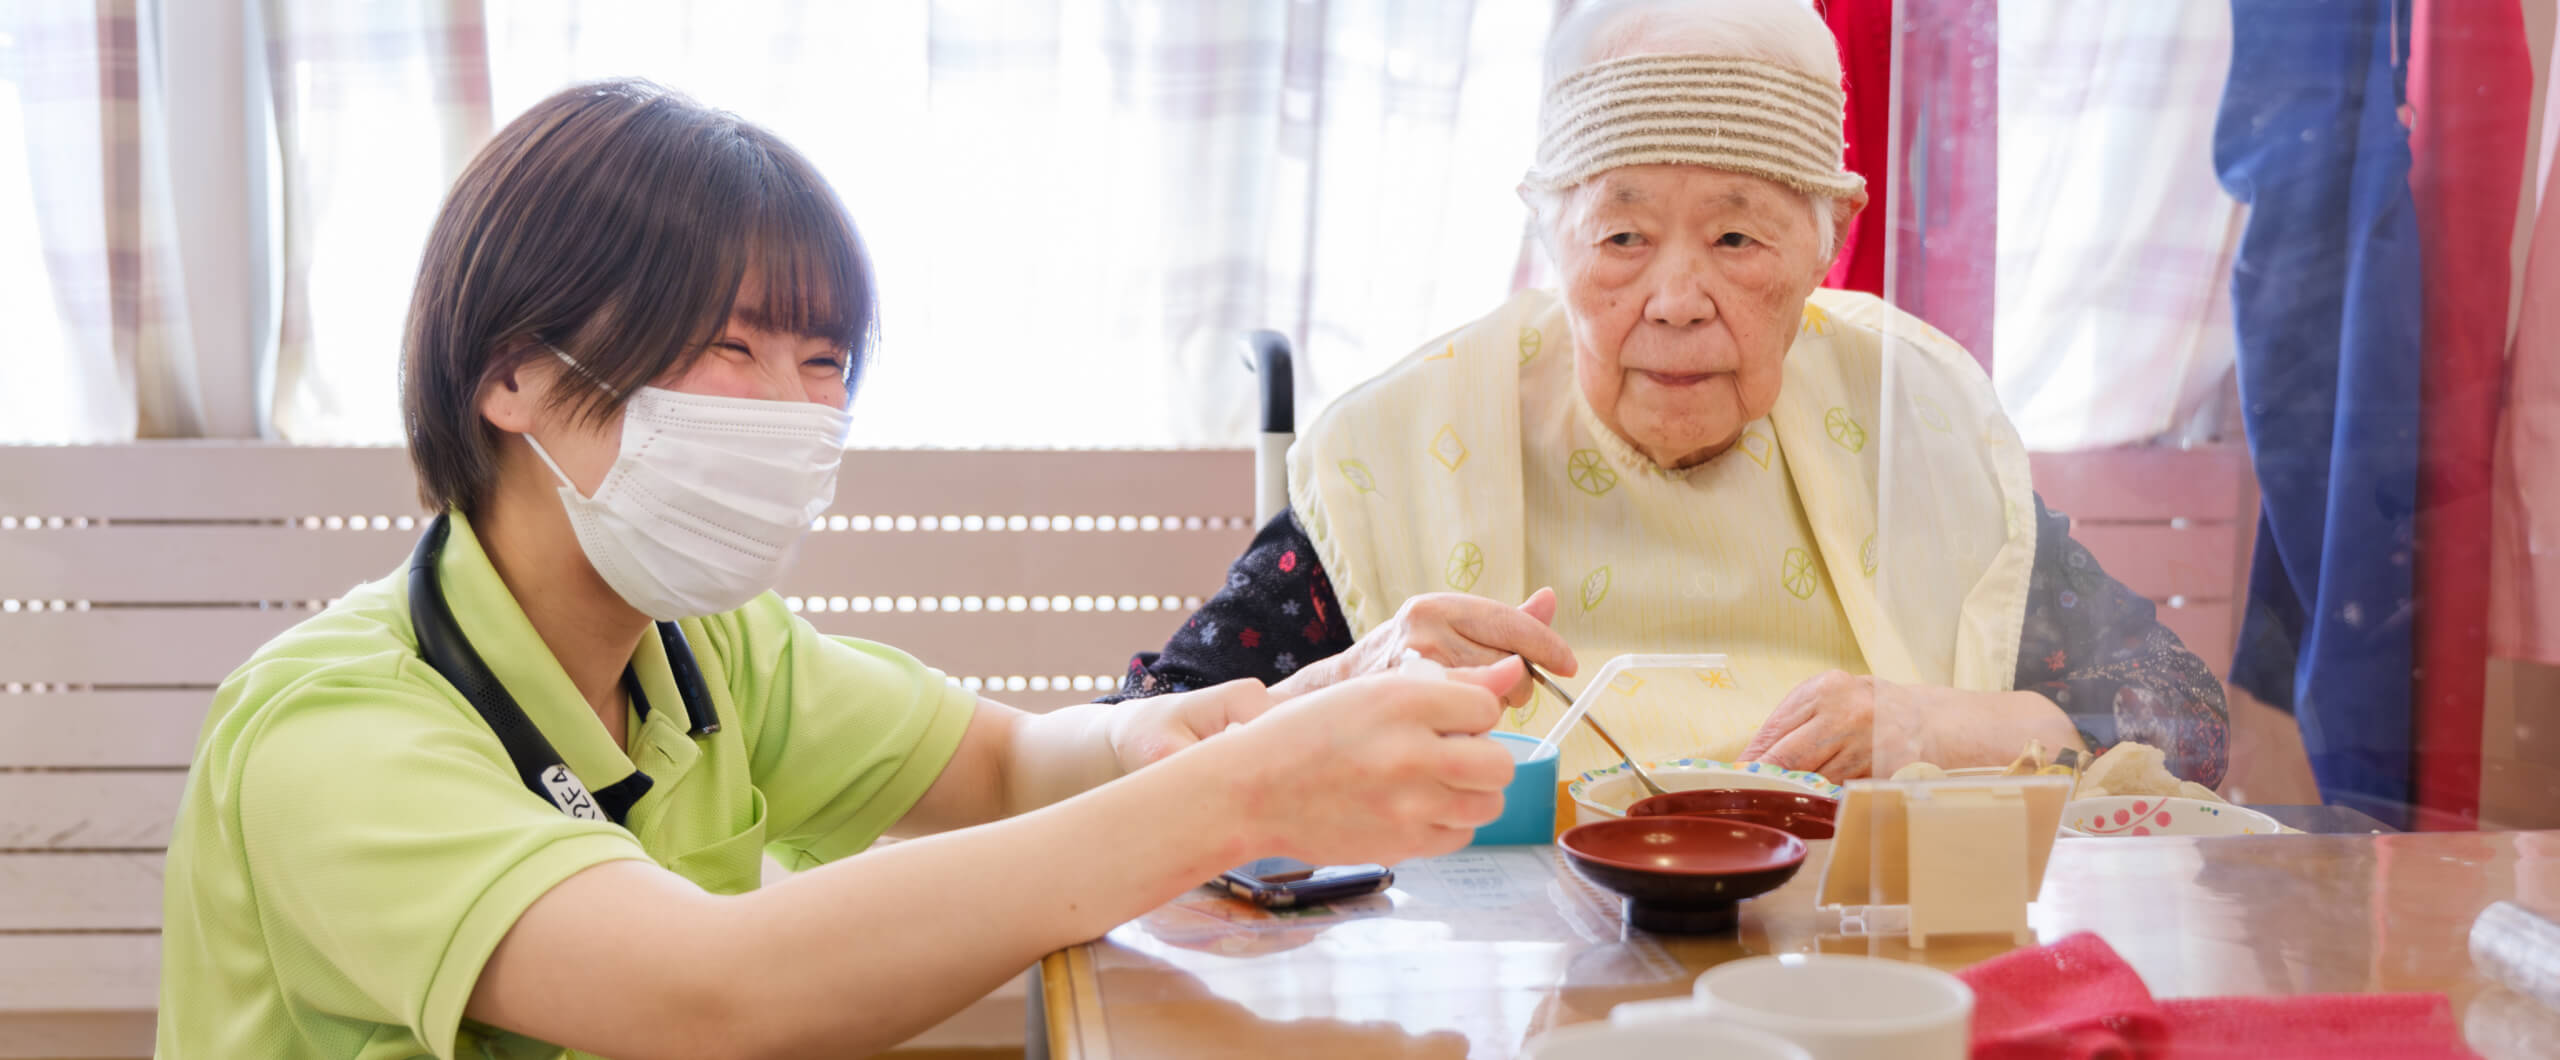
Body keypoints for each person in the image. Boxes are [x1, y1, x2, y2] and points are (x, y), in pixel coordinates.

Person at [156, 80, 1522, 1060]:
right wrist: (1241, 797)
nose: (794, 411)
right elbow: (707, 997)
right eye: (731, 347)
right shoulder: (335, 731)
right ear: (510, 369)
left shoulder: (706, 647)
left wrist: (1259, 714)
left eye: (824, 364)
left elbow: (1005, 769)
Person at [1111, 0, 2229, 788]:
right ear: (1552, 239)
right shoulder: (1413, 443)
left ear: (1826, 245)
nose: (1676, 298)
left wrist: (1939, 722)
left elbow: (2179, 710)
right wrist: (1350, 682)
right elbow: (1144, 735)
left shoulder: (1906, 420)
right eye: (1622, 236)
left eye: (1737, 235)